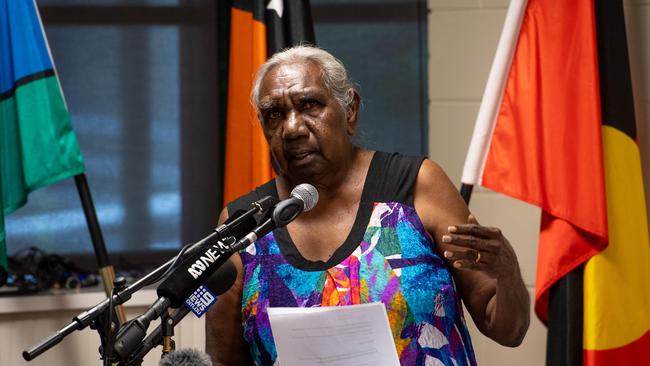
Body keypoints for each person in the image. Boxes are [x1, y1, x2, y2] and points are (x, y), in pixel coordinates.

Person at [206, 45, 529, 366]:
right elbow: (222, 359)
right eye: (274, 115)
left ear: (350, 110)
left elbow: (506, 329)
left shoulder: (416, 186)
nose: (291, 128)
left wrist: (507, 269)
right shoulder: (246, 224)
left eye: (309, 104)